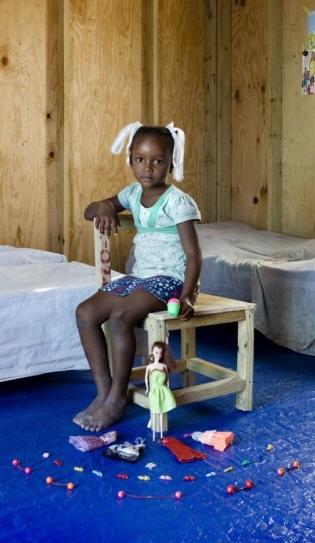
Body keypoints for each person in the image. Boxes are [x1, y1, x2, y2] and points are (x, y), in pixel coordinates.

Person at [74, 122, 202, 432]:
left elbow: (194, 255)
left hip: (171, 280)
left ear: (171, 164)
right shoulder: (132, 194)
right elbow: (90, 212)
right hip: (141, 277)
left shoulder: (177, 201)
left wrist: (186, 294)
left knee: (121, 316)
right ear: (130, 160)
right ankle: (104, 391)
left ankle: (118, 397)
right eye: (140, 159)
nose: (148, 167)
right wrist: (105, 206)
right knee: (85, 312)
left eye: (158, 161)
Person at [145, 341, 177, 440]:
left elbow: (167, 377)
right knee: (154, 411)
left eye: (160, 353)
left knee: (162, 412)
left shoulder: (163, 366)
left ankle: (162, 435)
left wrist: (168, 385)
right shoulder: (149, 367)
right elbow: (146, 378)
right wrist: (147, 388)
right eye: (156, 353)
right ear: (152, 353)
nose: (158, 355)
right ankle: (154, 435)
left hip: (163, 390)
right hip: (154, 391)